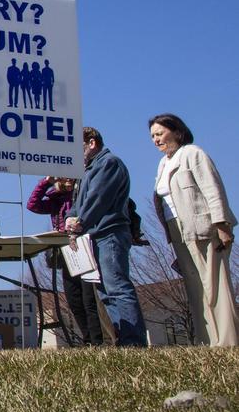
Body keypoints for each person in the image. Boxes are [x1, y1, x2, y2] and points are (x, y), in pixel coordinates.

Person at [148, 113, 237, 346]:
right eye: (152, 136)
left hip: (203, 227)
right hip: (177, 231)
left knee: (216, 285)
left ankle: (228, 342)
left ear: (177, 131)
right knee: (195, 287)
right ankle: (207, 341)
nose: (156, 139)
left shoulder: (193, 153)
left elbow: (213, 189)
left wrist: (222, 225)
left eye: (160, 133)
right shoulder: (163, 163)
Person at [65, 127, 148, 347]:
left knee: (117, 287)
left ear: (91, 143)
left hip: (109, 233)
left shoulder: (108, 164)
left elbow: (97, 199)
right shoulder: (88, 170)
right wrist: (70, 217)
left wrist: (80, 221)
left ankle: (133, 341)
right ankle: (122, 336)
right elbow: (78, 204)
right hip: (95, 235)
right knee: (105, 292)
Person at [26, 175, 102, 345]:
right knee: (74, 299)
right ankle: (88, 339)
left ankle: (97, 340)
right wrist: (46, 182)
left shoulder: (82, 194)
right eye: (64, 177)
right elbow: (33, 204)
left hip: (84, 245)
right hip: (66, 250)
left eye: (71, 177)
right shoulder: (56, 199)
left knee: (89, 298)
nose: (68, 180)